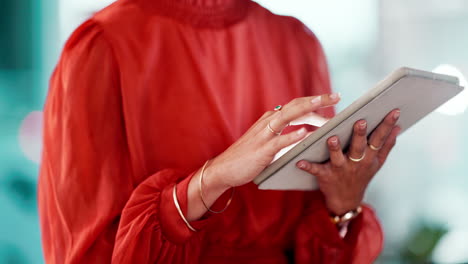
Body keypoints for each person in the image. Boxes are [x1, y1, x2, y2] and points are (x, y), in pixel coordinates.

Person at [38, 0, 401, 263]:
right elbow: (85, 251)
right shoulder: (102, 45)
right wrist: (212, 179)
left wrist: (342, 203)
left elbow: (315, 235)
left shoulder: (298, 42)